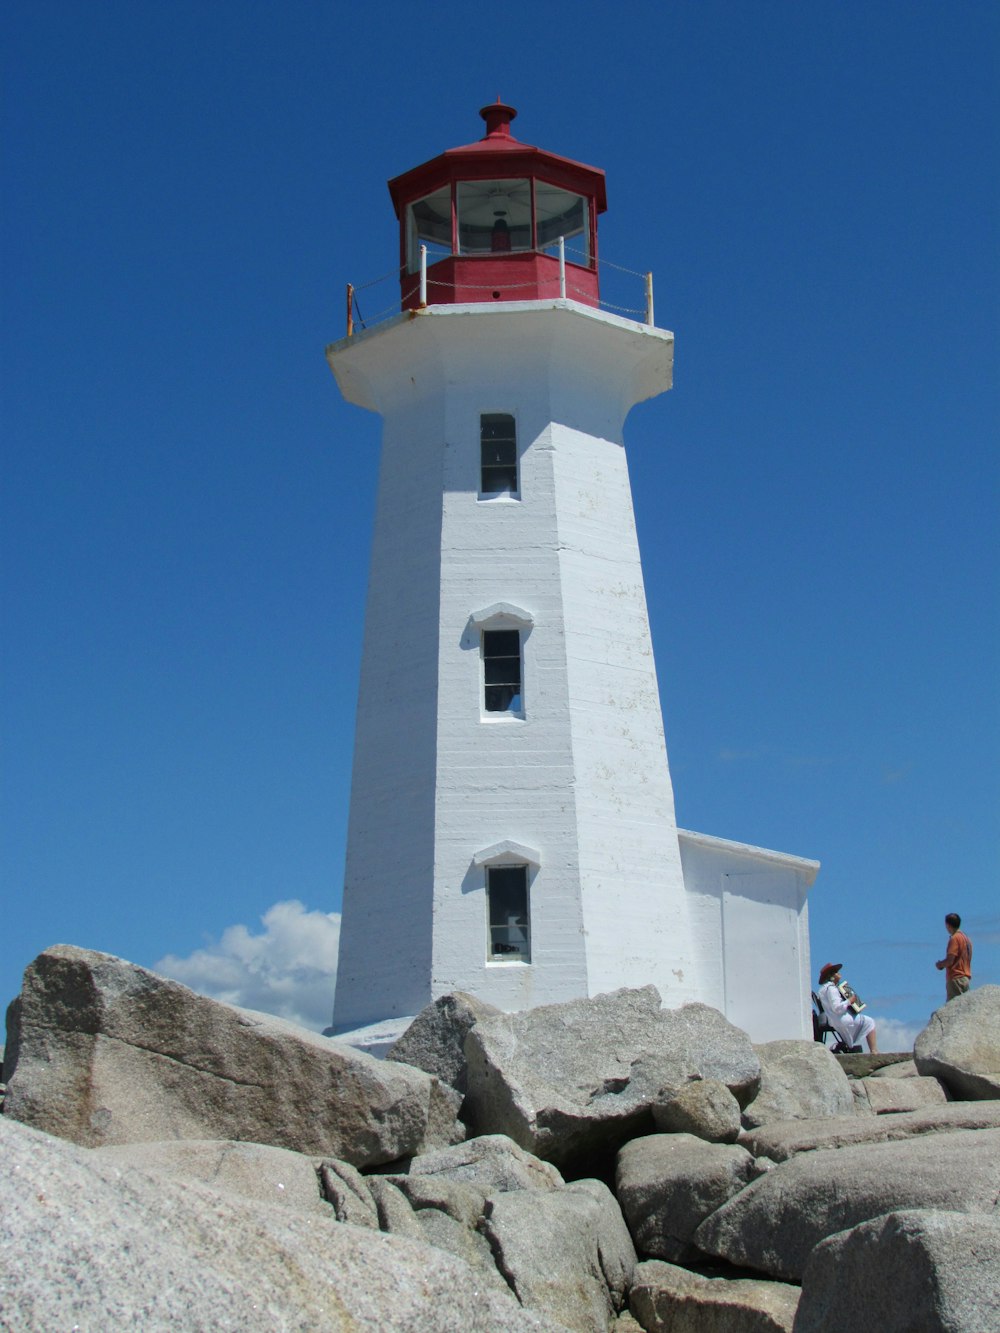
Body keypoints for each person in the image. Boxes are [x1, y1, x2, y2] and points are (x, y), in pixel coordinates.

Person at [817, 962, 878, 1053]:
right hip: (841, 1019)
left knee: (867, 1022)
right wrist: (849, 1001)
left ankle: (849, 1046)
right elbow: (837, 1008)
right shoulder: (831, 989)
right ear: (831, 976)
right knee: (870, 1022)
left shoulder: (823, 989)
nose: (839, 973)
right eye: (836, 972)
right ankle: (874, 1050)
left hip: (833, 1019)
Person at [935, 913, 972, 1000]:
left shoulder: (955, 938)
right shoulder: (967, 939)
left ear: (948, 925)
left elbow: (950, 960)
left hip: (955, 978)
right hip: (965, 978)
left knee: (954, 1008)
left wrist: (940, 964)